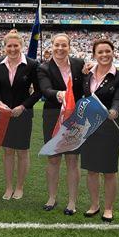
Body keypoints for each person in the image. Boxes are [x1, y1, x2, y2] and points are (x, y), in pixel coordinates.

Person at [38, 33, 84, 215]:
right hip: (52, 117)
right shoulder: (44, 68)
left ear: (69, 47)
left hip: (76, 118)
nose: (60, 48)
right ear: (52, 46)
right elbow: (45, 89)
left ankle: (72, 201)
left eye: (64, 45)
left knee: (72, 160)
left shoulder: (80, 65)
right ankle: (52, 197)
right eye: (57, 45)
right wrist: (61, 95)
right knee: (53, 159)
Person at [0, 30, 42, 200]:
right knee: (7, 152)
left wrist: (23, 106)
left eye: (16, 45)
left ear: (21, 46)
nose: (12, 49)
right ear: (4, 47)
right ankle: (8, 187)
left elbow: (38, 91)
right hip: (4, 114)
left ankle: (19, 187)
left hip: (23, 114)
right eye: (9, 46)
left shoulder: (32, 64)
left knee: (22, 152)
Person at [80, 39, 119, 222]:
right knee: (91, 170)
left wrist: (115, 110)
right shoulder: (88, 74)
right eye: (100, 52)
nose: (104, 55)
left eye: (108, 51)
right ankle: (94, 204)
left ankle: (108, 208)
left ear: (113, 52)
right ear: (94, 54)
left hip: (109, 126)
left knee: (109, 171)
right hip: (89, 125)